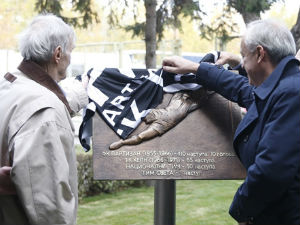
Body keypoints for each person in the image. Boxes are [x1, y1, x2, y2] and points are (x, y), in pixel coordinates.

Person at [162, 19, 300, 225]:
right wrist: (196, 68)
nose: (241, 64)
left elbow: (271, 170)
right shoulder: (281, 86)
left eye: (244, 56)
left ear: (261, 54)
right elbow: (239, 87)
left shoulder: (292, 93)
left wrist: (242, 211)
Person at [0, 14, 88, 225]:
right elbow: (49, 209)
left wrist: (78, 94)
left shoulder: (9, 85)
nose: (71, 58)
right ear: (58, 53)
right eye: (71, 50)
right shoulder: (46, 112)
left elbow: (27, 108)